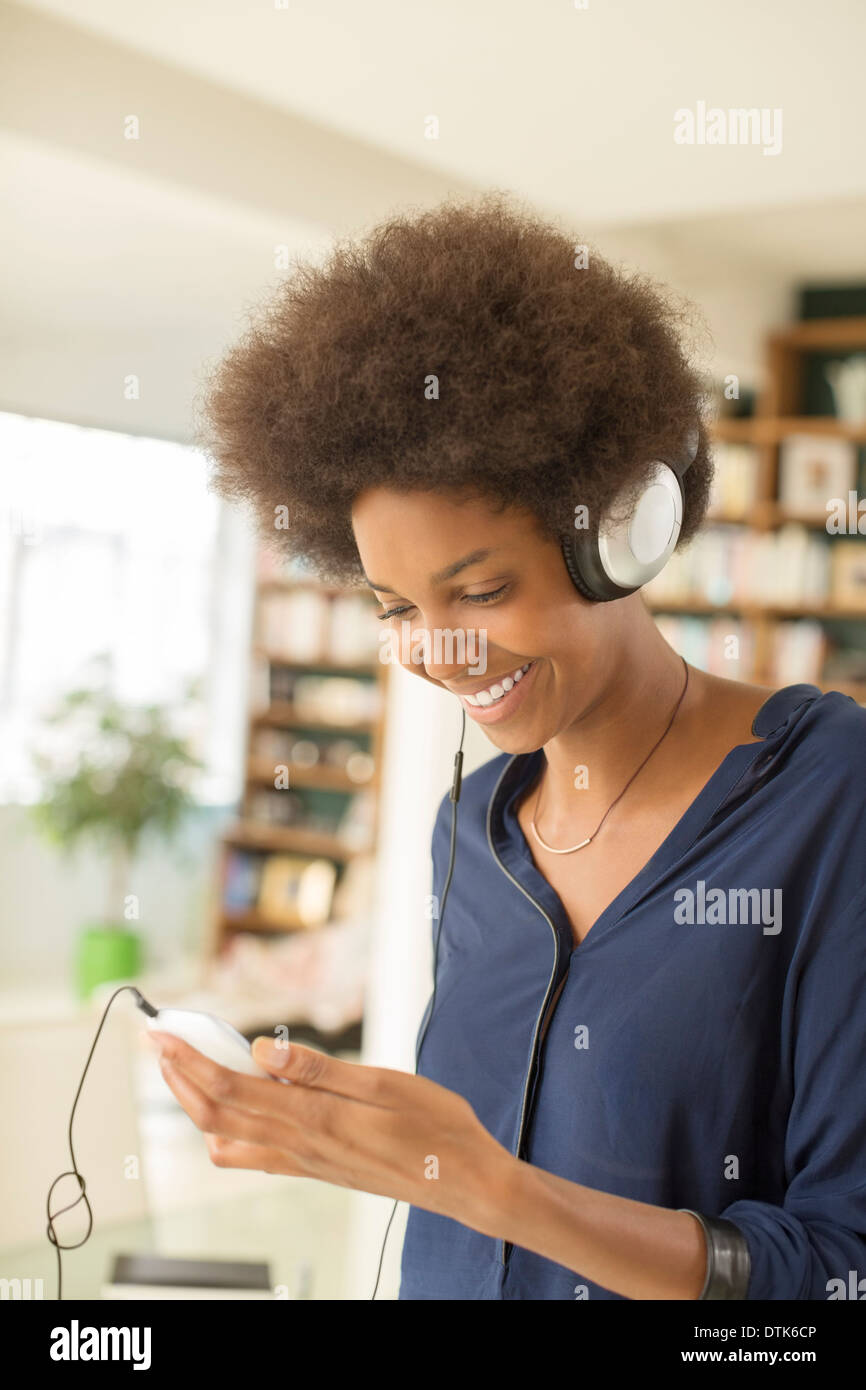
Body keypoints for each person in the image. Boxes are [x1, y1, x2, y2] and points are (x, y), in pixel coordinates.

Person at [159, 191, 866, 1300]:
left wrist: (495, 1190)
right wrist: (362, 1141)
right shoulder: (471, 832)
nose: (437, 649)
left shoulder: (829, 797)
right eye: (393, 606)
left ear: (622, 535)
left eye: (480, 588)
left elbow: (839, 1270)